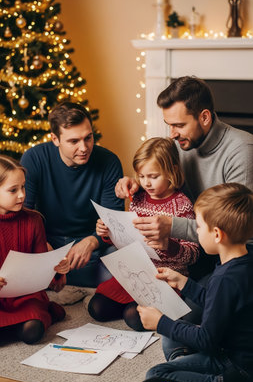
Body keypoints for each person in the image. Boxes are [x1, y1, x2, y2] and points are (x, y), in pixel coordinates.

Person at [115, 76, 253, 252]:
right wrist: (138, 186)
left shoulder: (241, 149)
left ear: (204, 117)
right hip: (191, 245)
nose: (172, 134)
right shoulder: (179, 145)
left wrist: (172, 226)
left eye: (179, 125)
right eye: (169, 125)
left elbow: (235, 229)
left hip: (231, 253)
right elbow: (167, 183)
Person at [138, 183, 253, 382]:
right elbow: (218, 304)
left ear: (217, 234)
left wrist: (160, 322)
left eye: (199, 227)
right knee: (171, 336)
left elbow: (206, 339)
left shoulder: (225, 278)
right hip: (238, 351)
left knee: (156, 375)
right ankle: (189, 367)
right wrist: (184, 284)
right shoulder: (244, 259)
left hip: (237, 367)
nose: (197, 232)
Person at [88, 137, 199, 330]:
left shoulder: (182, 205)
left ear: (171, 171)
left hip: (164, 278)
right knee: (96, 308)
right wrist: (108, 232)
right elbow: (127, 236)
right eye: (141, 176)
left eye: (153, 176)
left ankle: (150, 309)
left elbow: (193, 254)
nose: (146, 183)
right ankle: (134, 304)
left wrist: (168, 245)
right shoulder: (138, 198)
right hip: (135, 272)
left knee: (133, 317)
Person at [21, 102, 124, 288]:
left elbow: (113, 221)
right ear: (55, 139)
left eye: (88, 138)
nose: (84, 148)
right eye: (74, 141)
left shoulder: (109, 162)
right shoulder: (34, 158)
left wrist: (92, 241)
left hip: (91, 244)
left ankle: (61, 280)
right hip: (47, 243)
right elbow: (24, 213)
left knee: (121, 262)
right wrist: (41, 245)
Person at [0, 155, 69, 344]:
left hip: (25, 296)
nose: (22, 195)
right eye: (13, 190)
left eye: (23, 187)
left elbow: (41, 265)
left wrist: (57, 269)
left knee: (32, 332)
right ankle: (19, 324)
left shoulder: (33, 220)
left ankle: (32, 318)